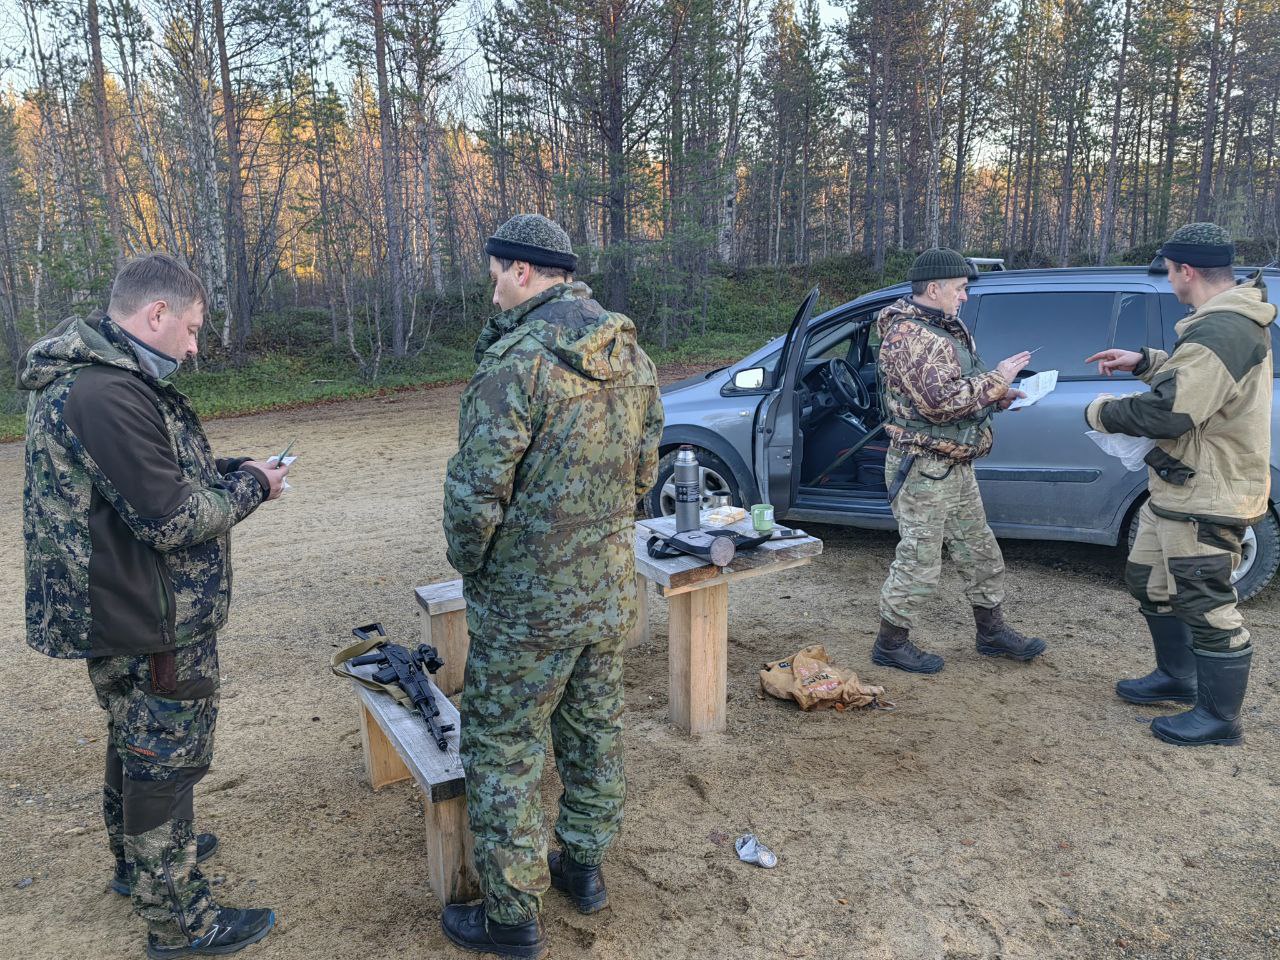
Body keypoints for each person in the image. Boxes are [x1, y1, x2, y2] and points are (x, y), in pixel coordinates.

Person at [20, 253, 289, 958]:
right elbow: (169, 518)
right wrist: (255, 490)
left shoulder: (103, 382)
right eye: (193, 328)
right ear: (156, 314)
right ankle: (179, 922)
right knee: (164, 763)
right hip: (148, 617)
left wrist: (235, 470)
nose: (196, 346)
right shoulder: (107, 393)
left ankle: (138, 863)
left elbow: (148, 478)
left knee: (134, 740)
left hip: (125, 607)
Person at [441, 214, 663, 959]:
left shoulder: (517, 362)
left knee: (504, 747)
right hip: (604, 592)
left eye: (497, 270)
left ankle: (513, 919)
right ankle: (585, 868)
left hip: (527, 605)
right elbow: (644, 469)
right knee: (593, 726)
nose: (492, 284)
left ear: (525, 272)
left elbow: (475, 494)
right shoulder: (630, 354)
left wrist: (474, 564)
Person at [1086, 223, 1275, 746]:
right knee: (1148, 580)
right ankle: (1178, 676)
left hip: (1208, 492)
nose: (1170, 280)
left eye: (1169, 272)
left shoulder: (1225, 329)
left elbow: (1172, 410)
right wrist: (1145, 361)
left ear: (1185, 271)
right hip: (1178, 485)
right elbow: (1199, 379)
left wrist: (1100, 411)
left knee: (1207, 603)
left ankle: (1219, 718)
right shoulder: (1217, 326)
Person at [873, 247, 1046, 673]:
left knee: (979, 549)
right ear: (934, 288)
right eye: (960, 288)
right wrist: (999, 378)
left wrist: (998, 397)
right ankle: (891, 643)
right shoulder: (910, 336)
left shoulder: (944, 328)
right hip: (923, 469)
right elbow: (939, 403)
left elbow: (961, 386)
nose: (964, 296)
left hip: (955, 463)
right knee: (919, 559)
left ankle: (991, 632)